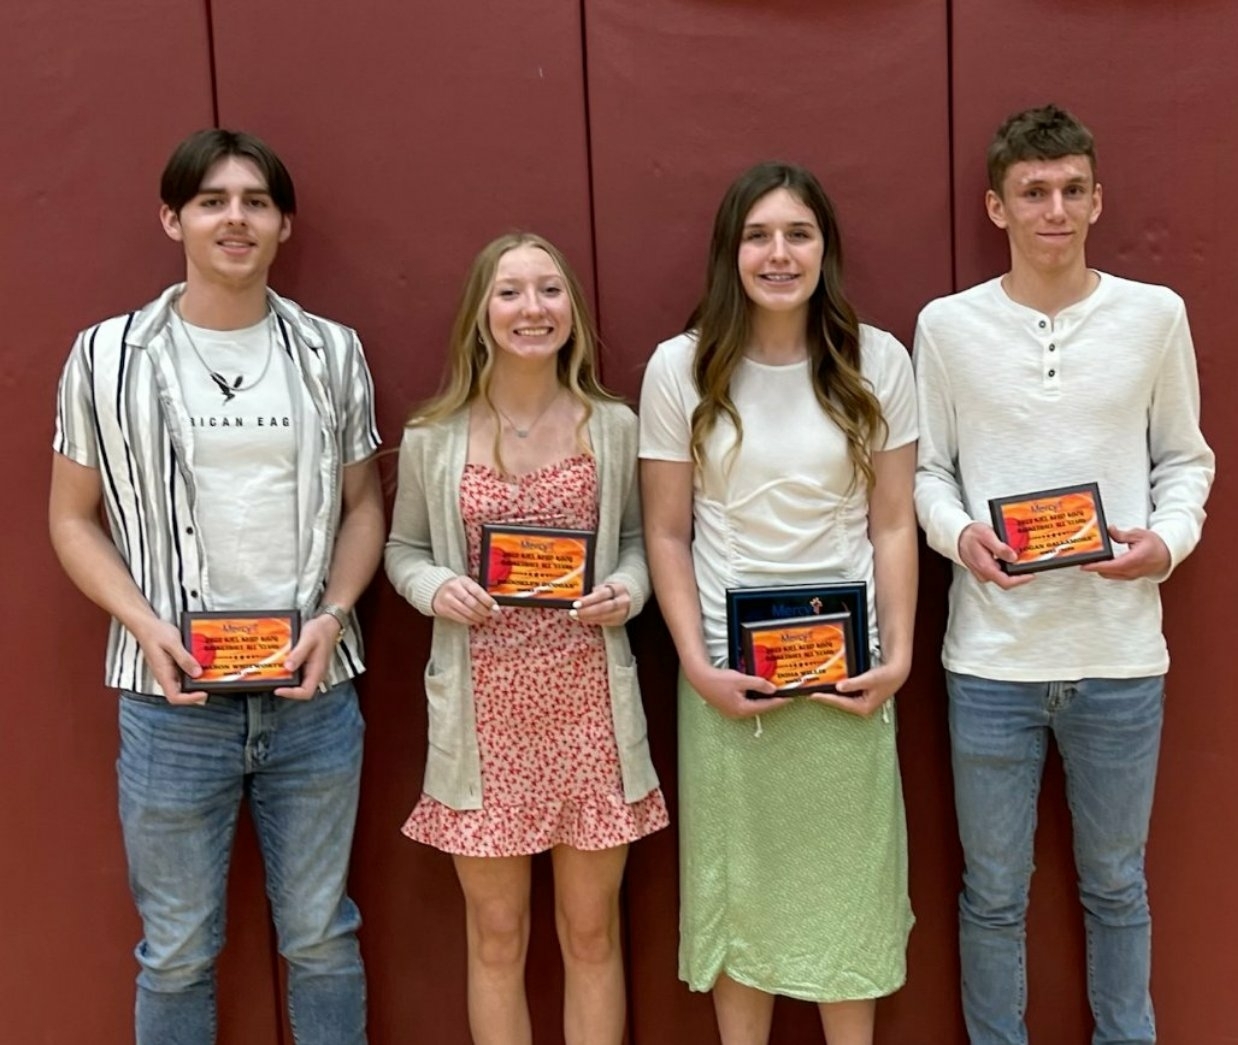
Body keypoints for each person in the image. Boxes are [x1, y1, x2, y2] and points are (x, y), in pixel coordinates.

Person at [48, 129, 383, 1045]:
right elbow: (71, 518)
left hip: (313, 696)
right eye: (212, 201)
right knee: (176, 952)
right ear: (173, 219)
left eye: (255, 202)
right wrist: (142, 622)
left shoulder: (332, 352)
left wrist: (334, 614)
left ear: (283, 225)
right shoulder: (105, 356)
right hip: (171, 704)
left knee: (322, 937)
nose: (235, 219)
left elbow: (364, 507)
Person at [913, 104, 1215, 1045]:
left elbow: (1186, 459)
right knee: (993, 893)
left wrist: (1166, 542)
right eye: (1034, 191)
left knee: (1117, 885)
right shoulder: (947, 327)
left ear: (1097, 199)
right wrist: (960, 536)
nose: (1055, 209)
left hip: (1120, 657)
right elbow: (928, 471)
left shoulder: (1155, 316)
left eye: (1072, 190)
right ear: (995, 206)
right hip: (991, 662)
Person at [639, 161, 917, 1045]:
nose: (779, 254)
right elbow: (667, 533)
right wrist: (696, 665)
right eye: (758, 235)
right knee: (742, 905)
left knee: (850, 901)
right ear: (731, 251)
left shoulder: (877, 359)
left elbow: (894, 522)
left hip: (848, 679)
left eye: (798, 233)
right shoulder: (681, 367)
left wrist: (898, 655)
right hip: (730, 681)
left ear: (825, 249)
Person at [385, 232, 667, 1045]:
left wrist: (629, 588)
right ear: (481, 312)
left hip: (588, 710)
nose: (531, 308)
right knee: (497, 937)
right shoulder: (435, 435)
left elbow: (639, 540)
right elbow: (403, 550)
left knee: (592, 933)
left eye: (549, 290)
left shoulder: (613, 426)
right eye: (510, 291)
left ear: (572, 309)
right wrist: (434, 587)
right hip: (483, 718)